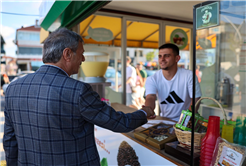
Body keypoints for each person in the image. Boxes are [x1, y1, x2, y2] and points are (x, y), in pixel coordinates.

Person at [3, 28, 155, 166]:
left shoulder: (13, 88)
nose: (83, 59)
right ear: (67, 54)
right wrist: (145, 112)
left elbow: (10, 141)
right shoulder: (78, 90)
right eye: (81, 53)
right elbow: (119, 123)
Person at [145, 43, 202, 121]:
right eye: (160, 56)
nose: (162, 59)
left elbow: (196, 100)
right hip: (164, 120)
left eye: (167, 56)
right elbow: (150, 97)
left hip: (186, 121)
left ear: (177, 58)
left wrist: (185, 121)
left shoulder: (189, 75)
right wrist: (148, 110)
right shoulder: (152, 79)